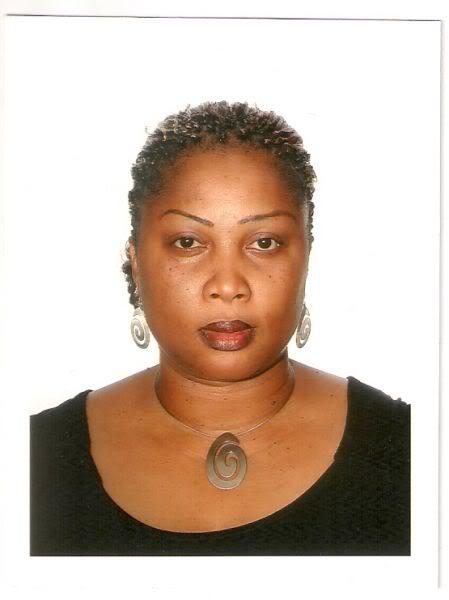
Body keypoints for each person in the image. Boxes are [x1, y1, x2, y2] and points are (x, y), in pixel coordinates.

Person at [30, 101, 410, 556]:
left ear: (306, 256)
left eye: (264, 242)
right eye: (188, 242)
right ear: (136, 261)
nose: (228, 286)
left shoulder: (408, 449)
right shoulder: (35, 459)